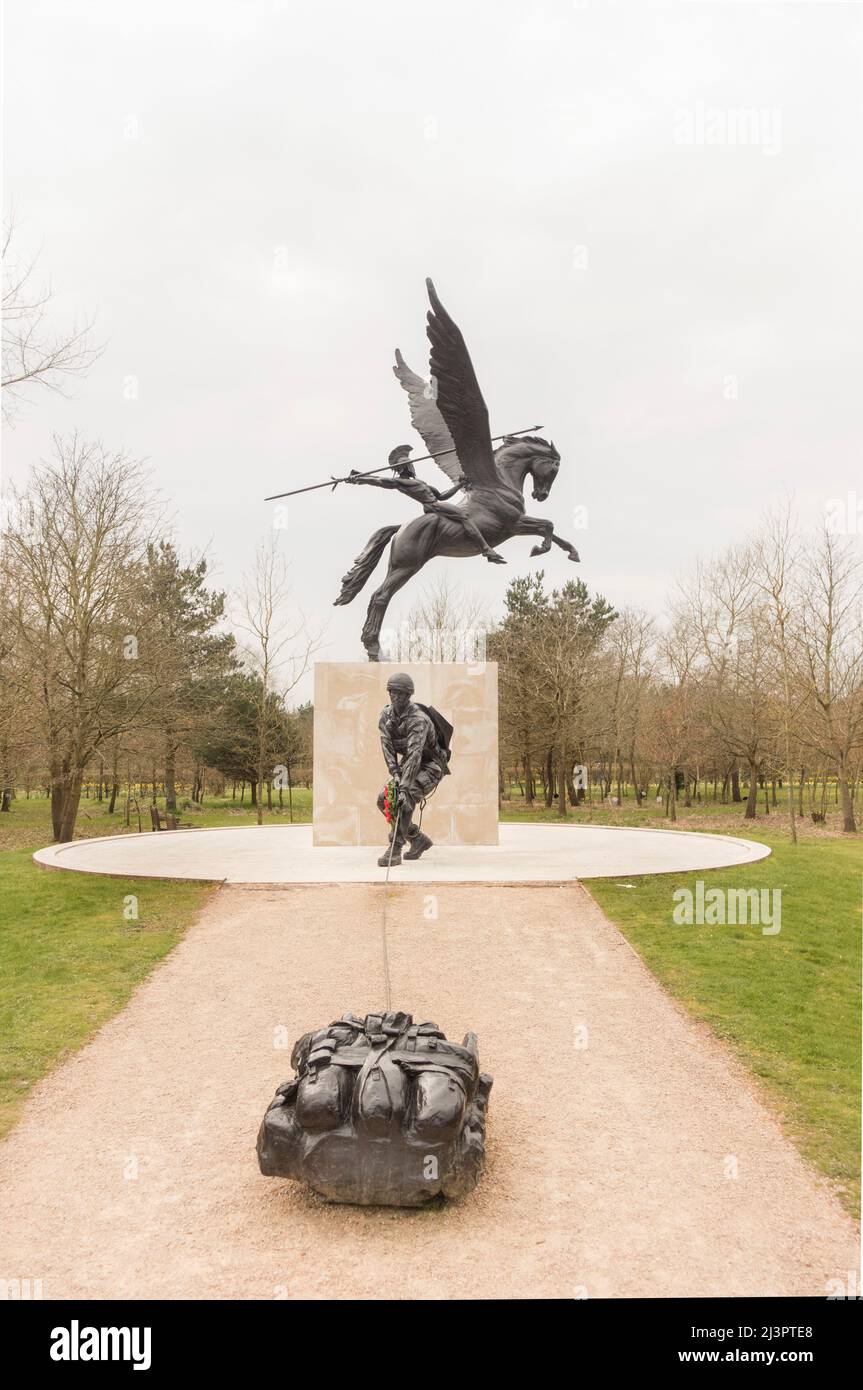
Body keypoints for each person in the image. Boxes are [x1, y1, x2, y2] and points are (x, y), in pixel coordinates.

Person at [346, 445, 506, 563]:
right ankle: (486, 549)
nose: (411, 466)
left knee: (462, 515)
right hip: (432, 506)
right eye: (408, 464)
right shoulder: (400, 482)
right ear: (404, 467)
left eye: (410, 463)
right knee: (463, 516)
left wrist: (458, 486)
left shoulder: (420, 482)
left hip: (436, 503)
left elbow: (442, 495)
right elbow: (380, 481)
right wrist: (360, 479)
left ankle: (484, 548)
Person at [376, 671, 449, 866]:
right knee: (384, 800)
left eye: (399, 693)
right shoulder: (385, 715)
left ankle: (395, 849)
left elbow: (416, 754)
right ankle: (417, 839)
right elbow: (387, 748)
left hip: (430, 765)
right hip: (407, 764)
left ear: (408, 695)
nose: (394, 696)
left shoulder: (419, 719)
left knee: (404, 799)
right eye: (391, 692)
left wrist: (405, 787)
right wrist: (396, 774)